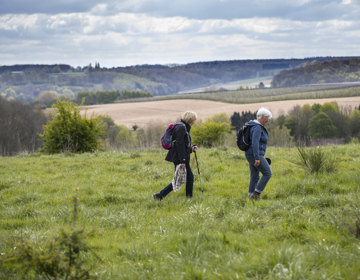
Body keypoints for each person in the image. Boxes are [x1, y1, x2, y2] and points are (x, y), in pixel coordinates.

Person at [153, 111, 198, 201]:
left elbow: (183, 146)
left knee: (181, 179)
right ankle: (188, 198)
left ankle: (160, 196)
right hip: (179, 158)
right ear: (190, 119)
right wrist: (183, 161)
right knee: (186, 178)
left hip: (179, 157)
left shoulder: (182, 127)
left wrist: (191, 149)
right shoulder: (181, 128)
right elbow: (180, 146)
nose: (194, 122)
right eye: (193, 120)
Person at [244, 107, 272, 200]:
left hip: (250, 154)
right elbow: (255, 142)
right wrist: (257, 157)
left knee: (255, 176)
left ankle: (250, 196)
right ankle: (256, 193)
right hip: (255, 154)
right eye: (267, 118)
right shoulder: (257, 127)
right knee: (268, 173)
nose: (268, 120)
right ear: (262, 116)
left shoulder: (253, 125)